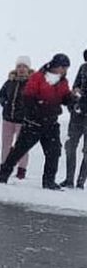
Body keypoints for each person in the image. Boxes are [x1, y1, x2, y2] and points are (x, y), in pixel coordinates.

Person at [0, 53, 73, 190]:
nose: (65, 71)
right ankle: (4, 174)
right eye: (64, 68)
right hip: (34, 123)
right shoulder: (38, 77)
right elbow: (28, 96)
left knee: (54, 152)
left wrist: (72, 98)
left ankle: (49, 181)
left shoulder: (63, 81)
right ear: (56, 66)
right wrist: (35, 111)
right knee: (19, 150)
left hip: (51, 123)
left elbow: (65, 98)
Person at [0, 56, 33, 179]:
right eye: (19, 66)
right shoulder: (10, 82)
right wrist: (4, 103)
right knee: (6, 144)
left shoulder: (32, 83)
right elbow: (2, 95)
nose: (21, 69)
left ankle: (21, 170)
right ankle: (4, 167)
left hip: (23, 120)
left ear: (28, 69)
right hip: (8, 118)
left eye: (24, 66)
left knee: (22, 146)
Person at [60, 49, 87, 189]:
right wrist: (75, 95)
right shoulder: (83, 67)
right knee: (70, 146)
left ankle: (81, 182)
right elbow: (76, 86)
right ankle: (69, 179)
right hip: (78, 113)